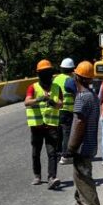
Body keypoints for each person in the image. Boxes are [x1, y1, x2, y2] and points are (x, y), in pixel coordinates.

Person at [61, 60, 102, 205]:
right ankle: (81, 203)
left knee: (84, 177)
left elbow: (79, 123)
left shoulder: (82, 98)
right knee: (78, 175)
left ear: (77, 77)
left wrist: (71, 147)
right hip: (89, 144)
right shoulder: (90, 95)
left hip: (83, 145)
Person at [24, 59, 63, 189]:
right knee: (36, 152)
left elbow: (60, 105)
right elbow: (27, 102)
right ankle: (37, 176)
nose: (47, 75)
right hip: (37, 126)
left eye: (49, 72)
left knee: (52, 153)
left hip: (51, 126)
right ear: (39, 74)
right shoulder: (33, 87)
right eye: (44, 72)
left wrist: (52, 101)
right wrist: (40, 99)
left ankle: (52, 177)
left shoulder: (57, 88)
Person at [53, 58, 77, 164]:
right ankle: (66, 155)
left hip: (56, 109)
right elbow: (75, 94)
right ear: (72, 69)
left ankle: (57, 154)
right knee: (67, 132)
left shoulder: (56, 79)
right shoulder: (70, 80)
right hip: (67, 109)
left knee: (58, 133)